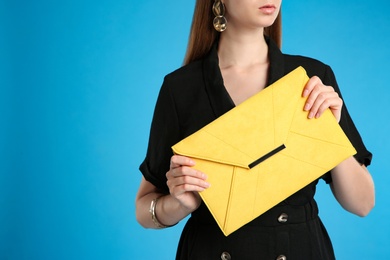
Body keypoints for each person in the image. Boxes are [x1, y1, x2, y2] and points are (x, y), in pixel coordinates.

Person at [135, 0, 375, 259]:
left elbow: (363, 204)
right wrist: (178, 204)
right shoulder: (180, 88)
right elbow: (144, 208)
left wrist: (331, 132)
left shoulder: (312, 77)